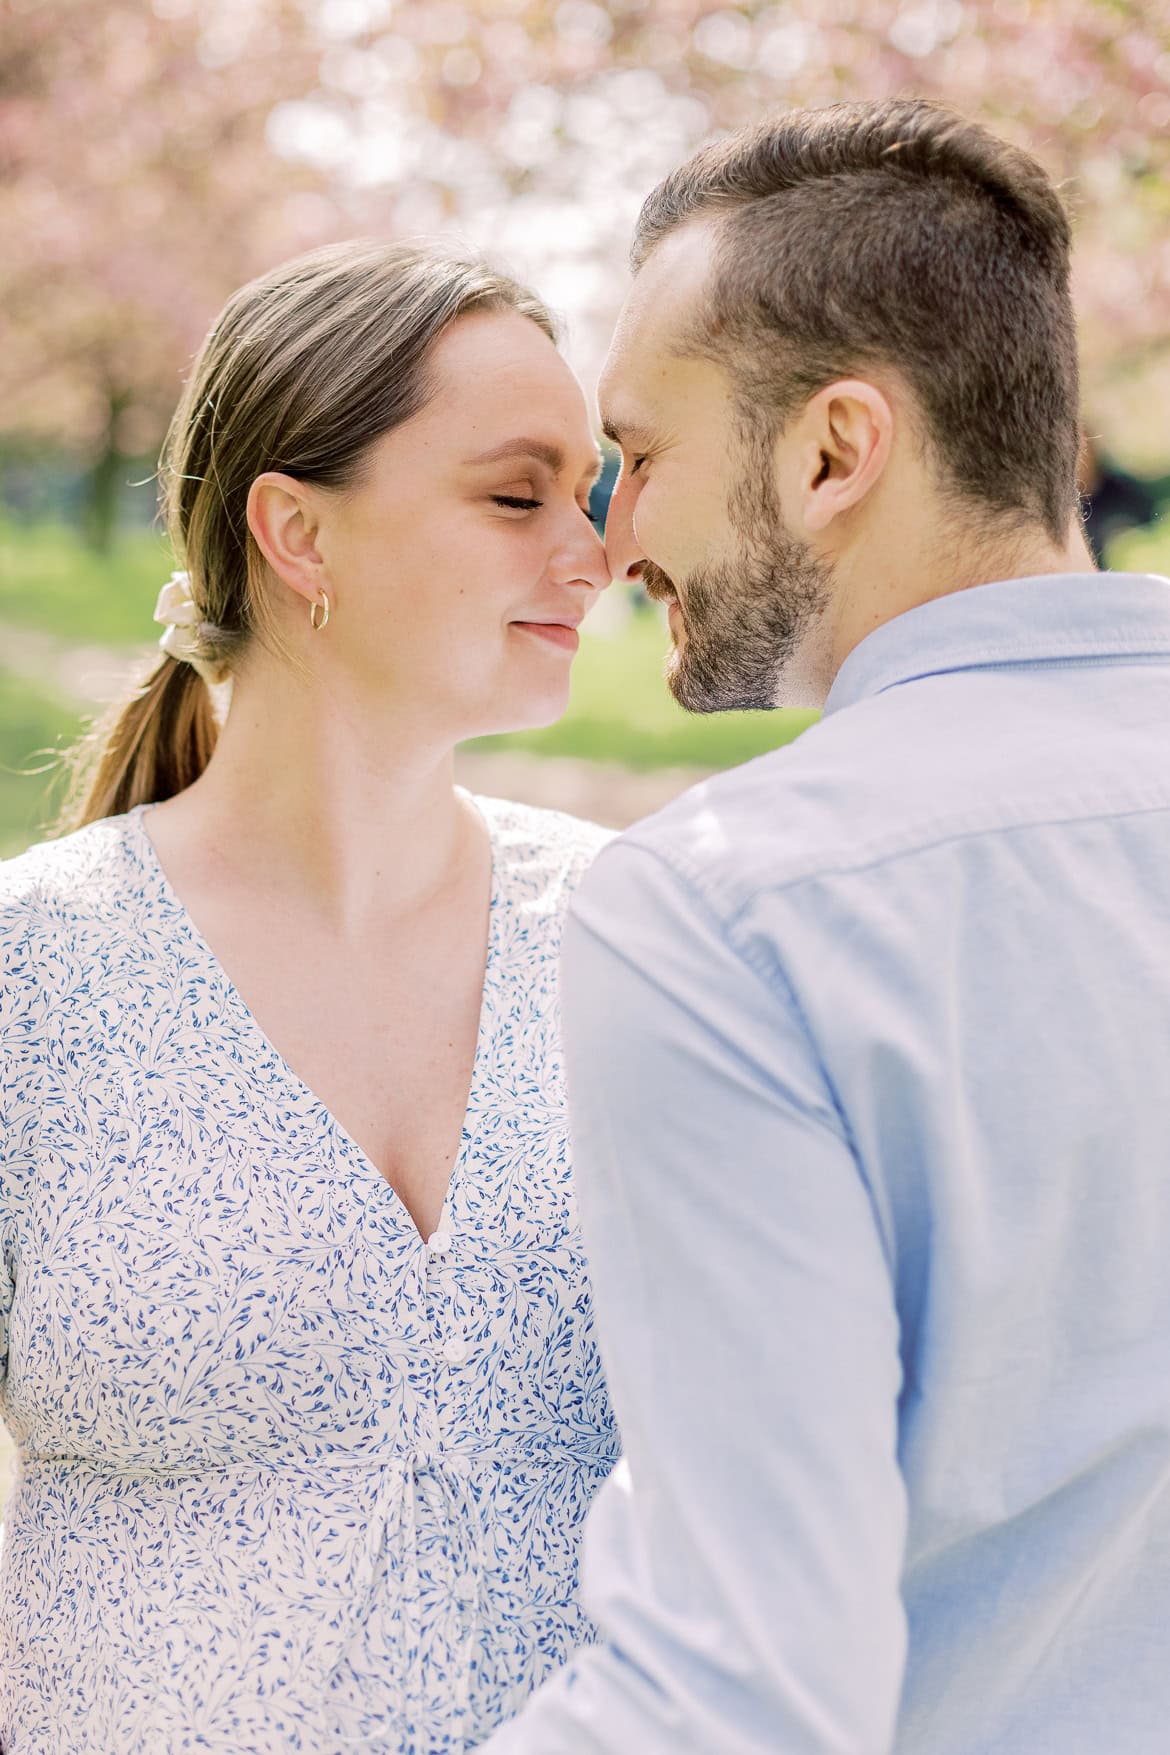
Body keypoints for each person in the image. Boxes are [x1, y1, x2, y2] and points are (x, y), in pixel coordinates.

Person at [481, 100, 1170, 1754]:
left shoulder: (723, 915)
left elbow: (735, 1687)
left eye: (639, 455)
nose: (613, 535)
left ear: (832, 451)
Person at [0, 239, 619, 1752]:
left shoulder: (642, 941)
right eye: (514, 494)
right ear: (296, 532)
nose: (591, 555)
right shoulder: (31, 977)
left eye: (593, 494)